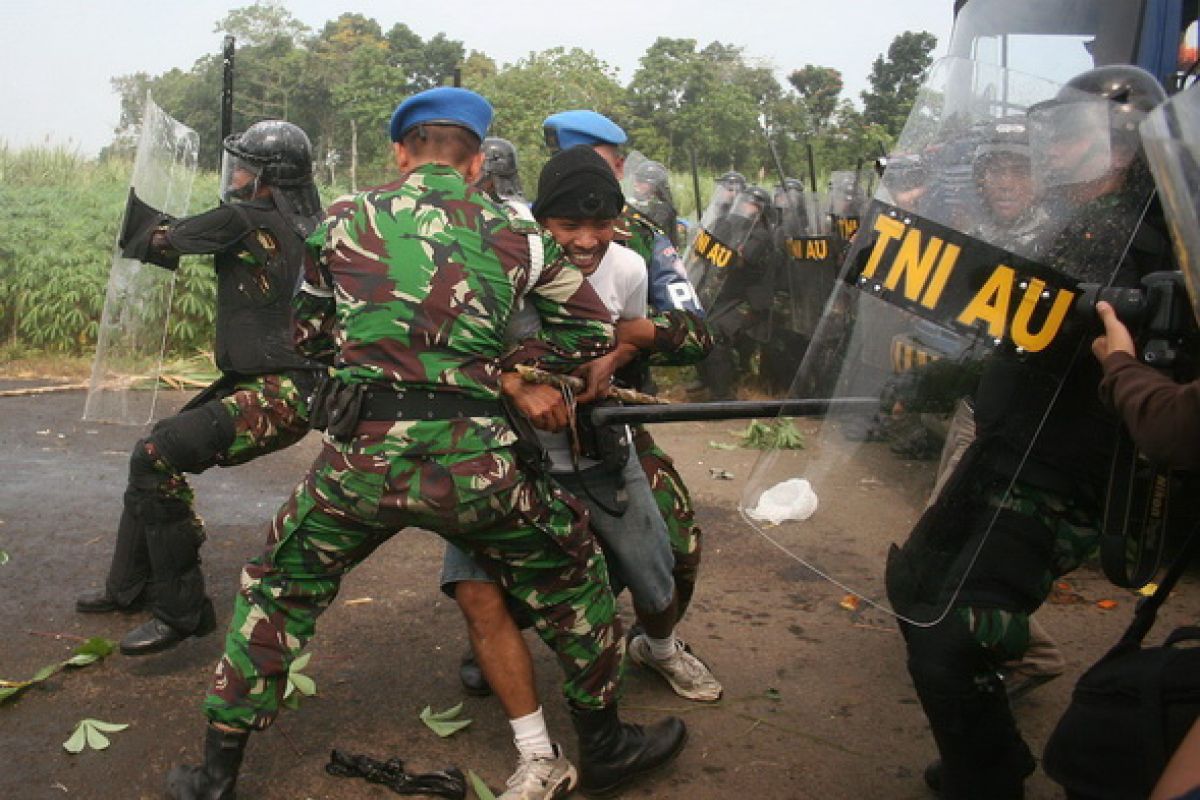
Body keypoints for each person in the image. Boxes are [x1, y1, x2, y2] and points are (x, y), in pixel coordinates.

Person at [165, 87, 687, 800]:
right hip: (479, 466)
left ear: (401, 154)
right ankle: (605, 744)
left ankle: (215, 772)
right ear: (475, 165)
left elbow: (310, 336)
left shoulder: (342, 221)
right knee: (573, 581)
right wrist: (509, 368)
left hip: (360, 461)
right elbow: (589, 335)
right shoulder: (521, 236)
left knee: (281, 587)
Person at [885, 65, 1171, 800]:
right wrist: (932, 379)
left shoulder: (1144, 245)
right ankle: (984, 758)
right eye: (1051, 134)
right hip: (1004, 449)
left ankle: (988, 779)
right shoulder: (1076, 225)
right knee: (916, 584)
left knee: (953, 632)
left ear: (1128, 148)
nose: (1053, 152)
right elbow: (1022, 334)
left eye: (1073, 136)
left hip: (1060, 475)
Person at [444, 148, 721, 759]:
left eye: (600, 225)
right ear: (541, 220)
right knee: (479, 586)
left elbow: (675, 330)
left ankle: (661, 646)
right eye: (569, 228)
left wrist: (615, 353)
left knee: (662, 568)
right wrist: (514, 382)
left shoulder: (630, 260)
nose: (585, 240)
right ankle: (538, 739)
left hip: (604, 446)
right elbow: (444, 348)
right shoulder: (494, 258)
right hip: (505, 452)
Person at [74, 120, 326, 656]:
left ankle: (183, 613)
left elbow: (158, 239)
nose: (233, 175)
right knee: (153, 450)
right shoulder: (308, 220)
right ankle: (129, 587)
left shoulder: (241, 216)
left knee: (154, 455)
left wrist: (142, 216)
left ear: (266, 178)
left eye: (244, 167)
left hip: (278, 391)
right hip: (277, 382)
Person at [540, 109, 712, 625]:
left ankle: (657, 641)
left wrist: (631, 341)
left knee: (674, 548)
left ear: (617, 170)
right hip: (529, 429)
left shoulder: (636, 239)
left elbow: (697, 333)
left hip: (620, 427)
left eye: (598, 166)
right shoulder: (515, 234)